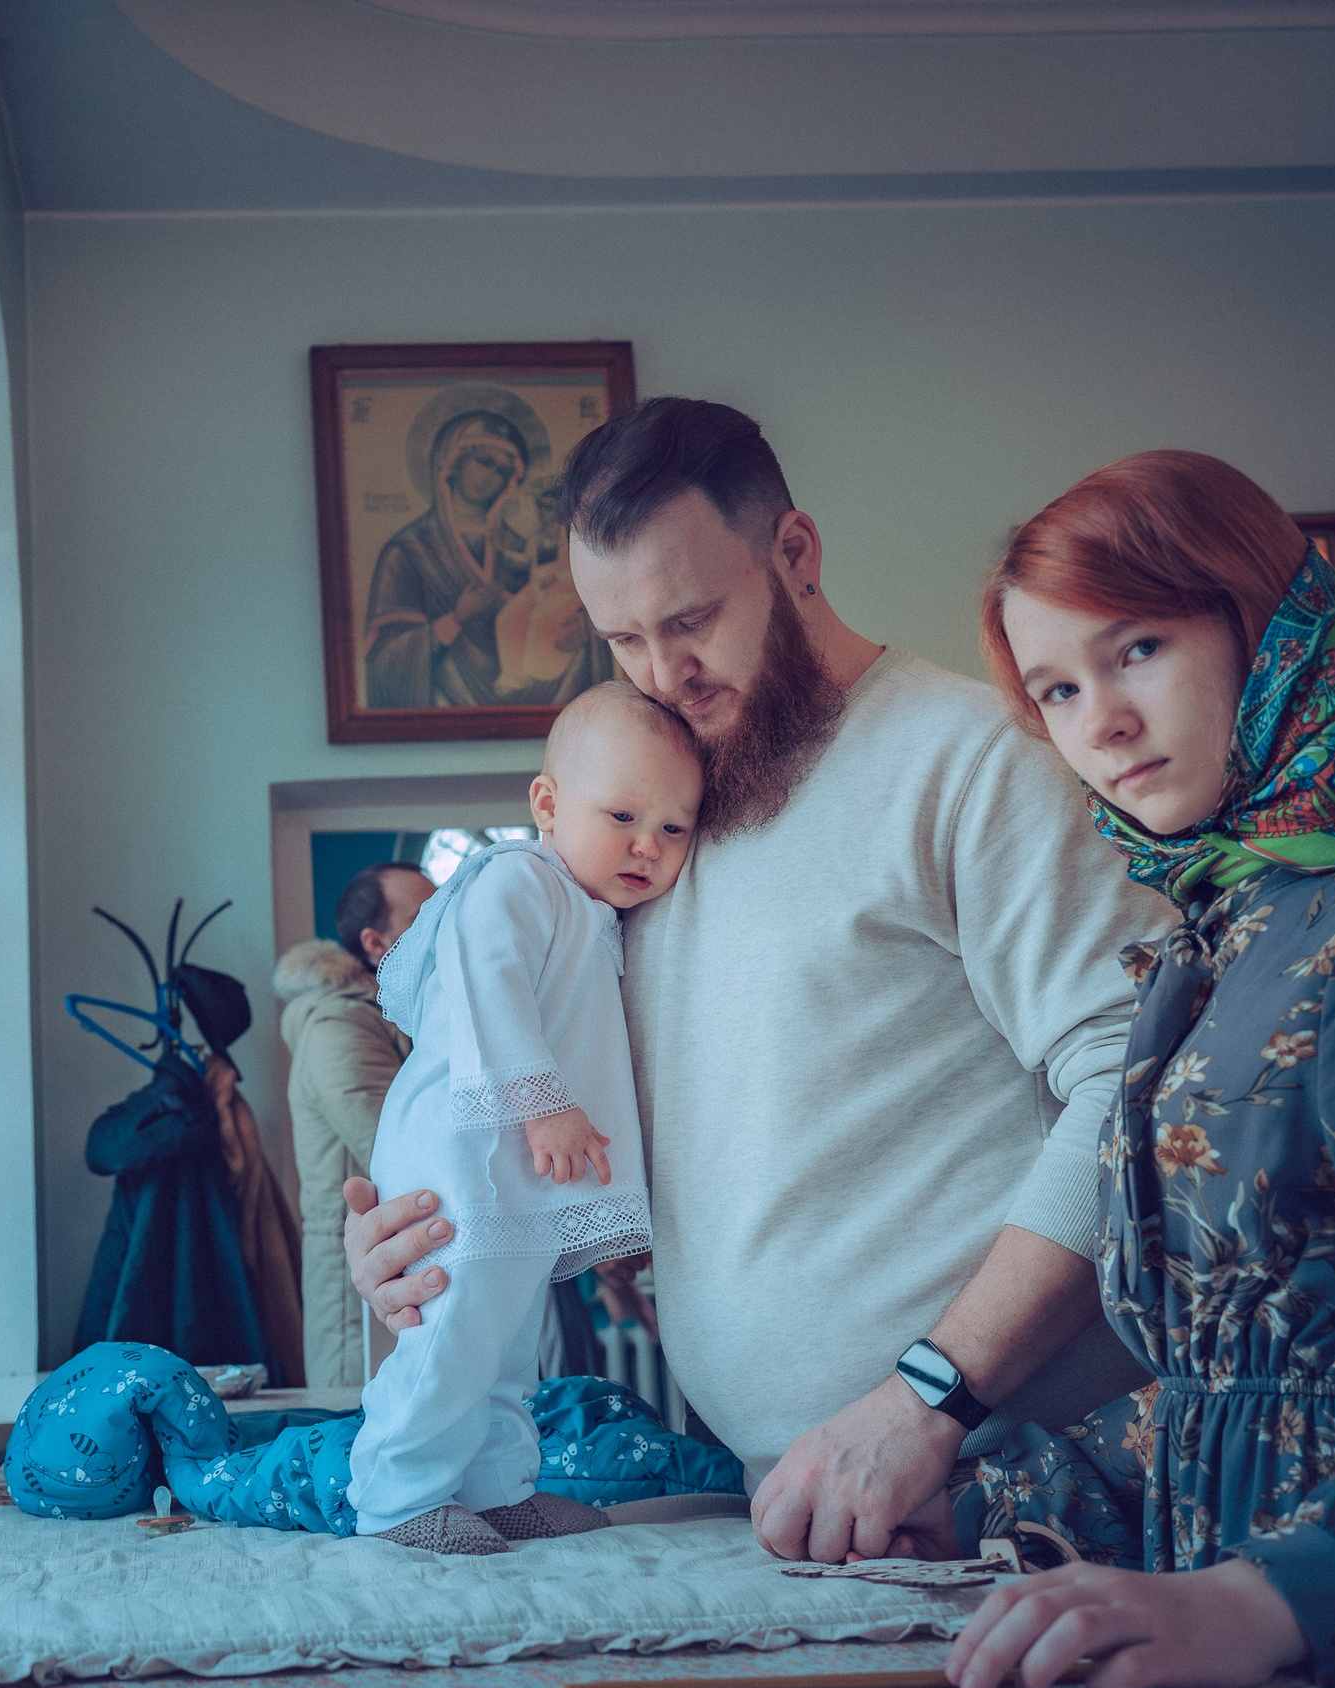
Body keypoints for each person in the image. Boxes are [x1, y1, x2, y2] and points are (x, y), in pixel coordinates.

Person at [349, 398, 1173, 1563]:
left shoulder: (970, 760)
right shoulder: (652, 821)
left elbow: (1137, 1102)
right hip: (794, 1508)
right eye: (622, 640)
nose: (663, 674)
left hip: (998, 1484)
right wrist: (423, 1231)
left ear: (794, 553)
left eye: (691, 620)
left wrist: (928, 1401)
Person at [925, 451, 1335, 1688]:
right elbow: (1243, 1394)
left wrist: (1268, 1596)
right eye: (1057, 689)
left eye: (1138, 649)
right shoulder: (1213, 948)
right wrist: (983, 1504)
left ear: (1269, 630)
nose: (1100, 724)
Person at [347, 683, 702, 1554]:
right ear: (547, 804)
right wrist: (544, 1105)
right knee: (456, 1321)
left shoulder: (593, 912)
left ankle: (499, 1490)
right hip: (460, 1148)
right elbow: (487, 988)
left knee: (508, 1340)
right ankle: (395, 1498)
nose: (648, 844)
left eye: (674, 827)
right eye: (622, 815)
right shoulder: (516, 878)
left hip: (510, 1164)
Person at [276, 861, 435, 1388]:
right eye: (423, 917)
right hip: (359, 1286)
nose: (443, 927)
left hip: (402, 1260)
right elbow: (402, 1152)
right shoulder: (339, 1025)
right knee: (361, 1419)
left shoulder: (406, 1015)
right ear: (374, 942)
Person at [363, 408, 605, 709]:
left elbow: (563, 601)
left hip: (543, 697)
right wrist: (456, 619)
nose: (491, 477)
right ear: (452, 462)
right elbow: (384, 661)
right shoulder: (408, 552)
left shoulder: (519, 547)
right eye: (484, 462)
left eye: (502, 471)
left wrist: (584, 629)